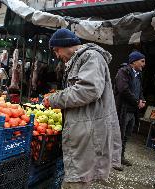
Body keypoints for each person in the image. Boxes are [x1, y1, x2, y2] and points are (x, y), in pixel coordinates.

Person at [43, 28, 122, 188]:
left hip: (89, 131)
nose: (57, 55)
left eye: (57, 50)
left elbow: (88, 90)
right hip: (84, 129)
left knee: (76, 181)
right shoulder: (79, 59)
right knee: (78, 178)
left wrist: (53, 99)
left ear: (67, 45)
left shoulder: (91, 57)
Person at [114, 51, 146, 170]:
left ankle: (120, 157)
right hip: (123, 109)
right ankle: (114, 160)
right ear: (133, 61)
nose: (144, 64)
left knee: (126, 135)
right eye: (142, 61)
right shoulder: (123, 72)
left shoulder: (138, 75)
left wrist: (142, 100)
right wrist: (136, 102)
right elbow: (123, 90)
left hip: (132, 111)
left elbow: (140, 90)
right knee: (119, 136)